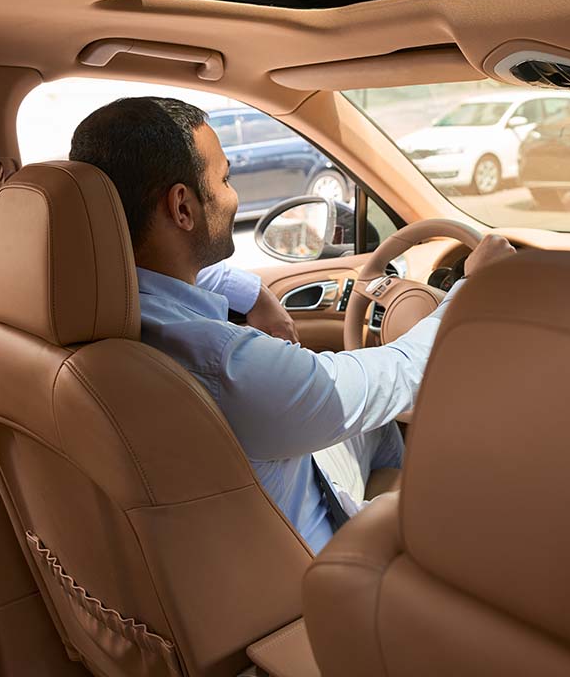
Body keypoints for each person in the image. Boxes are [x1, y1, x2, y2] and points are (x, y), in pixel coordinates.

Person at [70, 97, 515, 552]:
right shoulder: (221, 362)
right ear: (182, 208)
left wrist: (256, 295)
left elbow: (205, 277)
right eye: (224, 179)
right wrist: (472, 289)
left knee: (375, 426)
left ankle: (396, 505)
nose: (232, 193)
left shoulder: (86, 312)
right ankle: (399, 550)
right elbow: (396, 373)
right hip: (308, 575)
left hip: (212, 546)